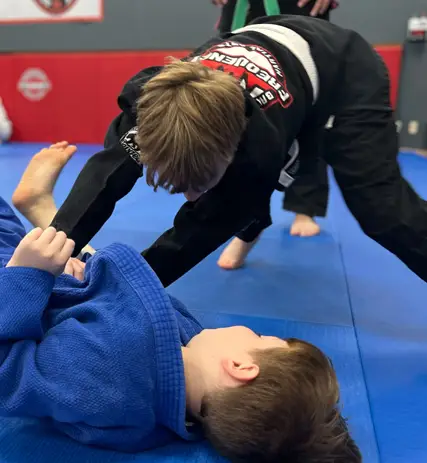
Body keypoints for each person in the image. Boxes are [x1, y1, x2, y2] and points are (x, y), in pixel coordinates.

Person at [2, 143, 361, 462]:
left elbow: (7, 369)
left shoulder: (105, 375)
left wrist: (25, 276)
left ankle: (43, 217)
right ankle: (43, 213)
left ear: (238, 366)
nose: (250, 331)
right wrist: (80, 282)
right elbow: (123, 297)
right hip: (60, 283)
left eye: (260, 337)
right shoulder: (176, 386)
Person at [36, 15, 427, 290]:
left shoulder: (256, 154)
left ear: (235, 148)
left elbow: (188, 241)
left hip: (341, 67)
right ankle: (251, 220)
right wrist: (56, 243)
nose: (191, 198)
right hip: (266, 42)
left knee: (381, 211)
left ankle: (250, 219)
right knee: (227, 195)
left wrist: (113, 287)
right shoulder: (146, 114)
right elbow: (104, 178)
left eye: (199, 184)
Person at [212, 0, 338, 269]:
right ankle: (248, 218)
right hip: (243, 9)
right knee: (231, 103)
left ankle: (304, 207)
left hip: (298, 8)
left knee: (308, 105)